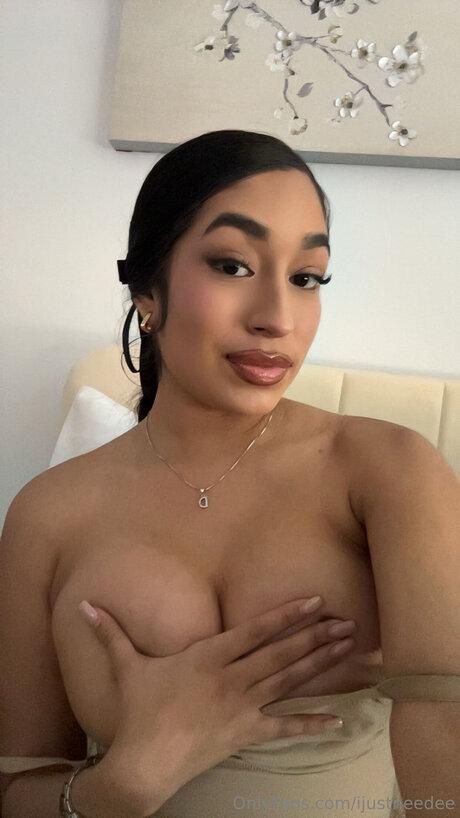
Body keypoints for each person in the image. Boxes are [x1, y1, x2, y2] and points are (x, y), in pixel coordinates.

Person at [1, 130, 459, 818]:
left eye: (306, 278)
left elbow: (446, 733)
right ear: (147, 291)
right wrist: (123, 784)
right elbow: (18, 787)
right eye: (233, 265)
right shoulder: (46, 515)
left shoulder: (390, 470)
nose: (278, 318)